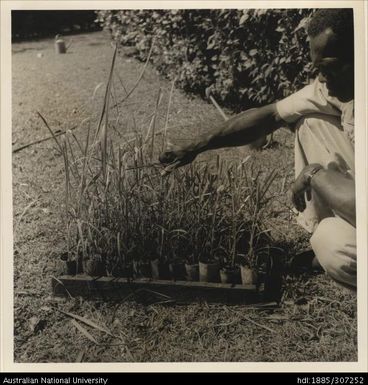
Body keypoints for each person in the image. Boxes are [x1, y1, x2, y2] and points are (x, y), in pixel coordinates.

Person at [159, 9, 356, 288]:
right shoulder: (338, 87)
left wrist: (314, 174)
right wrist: (195, 146)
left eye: (330, 67)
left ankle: (331, 247)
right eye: (318, 69)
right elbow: (271, 115)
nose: (322, 79)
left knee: (334, 246)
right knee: (310, 121)